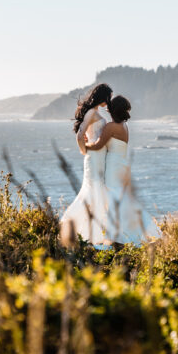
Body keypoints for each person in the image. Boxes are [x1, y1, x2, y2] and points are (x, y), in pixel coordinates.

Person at [83, 95, 160, 244]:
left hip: (113, 166)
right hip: (123, 165)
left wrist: (83, 144)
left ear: (113, 110)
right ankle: (130, 233)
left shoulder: (111, 127)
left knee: (114, 200)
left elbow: (98, 145)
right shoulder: (124, 126)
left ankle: (117, 237)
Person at [59, 83, 114, 246]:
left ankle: (90, 233)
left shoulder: (94, 111)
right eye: (107, 97)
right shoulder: (91, 112)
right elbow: (80, 134)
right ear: (102, 96)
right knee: (92, 192)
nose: (108, 101)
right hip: (94, 157)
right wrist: (84, 151)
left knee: (95, 192)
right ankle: (82, 230)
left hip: (98, 157)